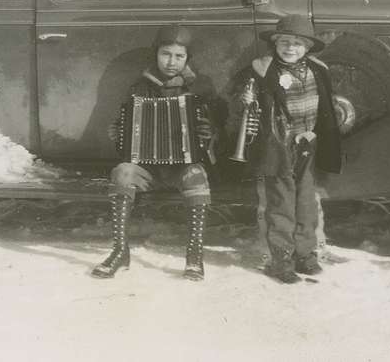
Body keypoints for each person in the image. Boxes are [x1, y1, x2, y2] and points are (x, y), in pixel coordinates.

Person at [92, 25, 216, 281]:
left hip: (181, 167)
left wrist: (208, 134)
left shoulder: (199, 89)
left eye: (179, 56)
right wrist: (120, 134)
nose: (171, 62)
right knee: (122, 173)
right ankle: (119, 251)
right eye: (165, 54)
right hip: (146, 168)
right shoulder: (139, 87)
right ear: (156, 55)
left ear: (187, 59)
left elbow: (216, 133)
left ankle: (194, 255)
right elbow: (121, 124)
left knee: (197, 174)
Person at [226, 15, 342, 284]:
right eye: (285, 42)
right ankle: (281, 260)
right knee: (280, 204)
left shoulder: (317, 70)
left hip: (308, 144)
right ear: (276, 43)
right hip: (277, 147)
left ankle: (305, 255)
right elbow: (237, 101)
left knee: (306, 203)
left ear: (308, 48)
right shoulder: (262, 70)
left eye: (298, 43)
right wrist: (243, 100)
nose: (291, 48)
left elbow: (326, 107)